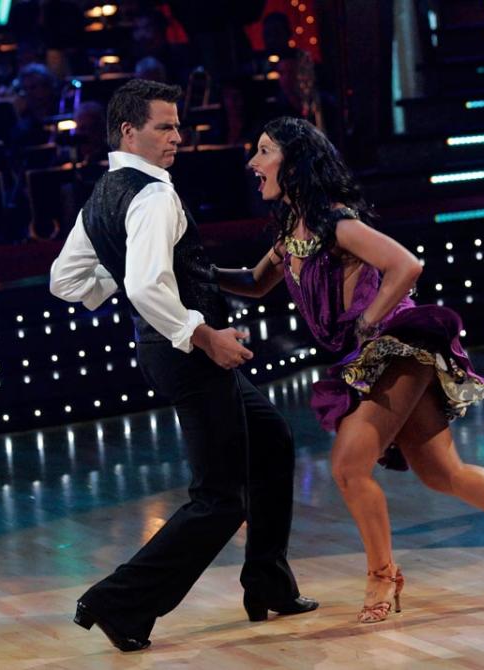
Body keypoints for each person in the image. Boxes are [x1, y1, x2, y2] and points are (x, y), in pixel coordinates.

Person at [216, 117, 484, 624]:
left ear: (295, 163)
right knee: (441, 472)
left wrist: (369, 321)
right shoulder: (290, 231)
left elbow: (406, 265)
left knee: (349, 466)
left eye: (263, 151)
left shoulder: (335, 223)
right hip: (371, 355)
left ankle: (383, 574)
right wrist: (197, 271)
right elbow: (257, 284)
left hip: (398, 345)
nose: (253, 163)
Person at [49, 80, 316, 652]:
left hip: (166, 350)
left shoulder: (104, 193)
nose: (177, 136)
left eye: (177, 125)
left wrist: (127, 279)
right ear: (128, 130)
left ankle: (267, 581)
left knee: (270, 440)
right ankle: (118, 602)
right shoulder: (151, 195)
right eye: (164, 127)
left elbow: (66, 280)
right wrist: (199, 334)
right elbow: (145, 281)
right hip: (187, 353)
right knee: (220, 500)